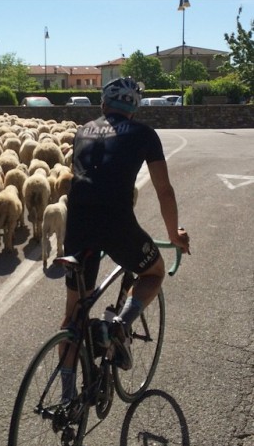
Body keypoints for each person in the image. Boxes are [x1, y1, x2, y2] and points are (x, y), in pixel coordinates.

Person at [62, 77, 190, 375]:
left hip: (77, 223)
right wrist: (174, 234)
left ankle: (67, 399)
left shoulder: (83, 130)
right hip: (115, 222)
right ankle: (118, 326)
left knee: (73, 317)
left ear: (103, 103)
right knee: (153, 271)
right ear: (134, 108)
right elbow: (164, 190)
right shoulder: (143, 133)